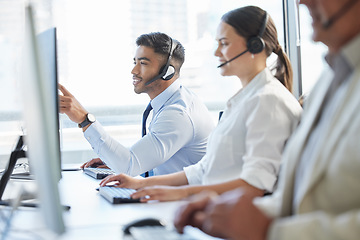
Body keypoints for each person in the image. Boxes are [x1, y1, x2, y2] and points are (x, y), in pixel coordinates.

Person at [174, 0, 360, 239]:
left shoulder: (270, 99)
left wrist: (271, 230)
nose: (302, 1)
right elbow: (295, 200)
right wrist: (227, 212)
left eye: (224, 43)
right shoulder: (332, 78)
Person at [99, 6, 302, 202]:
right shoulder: (244, 99)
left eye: (224, 43)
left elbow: (257, 185)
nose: (216, 53)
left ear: (255, 46)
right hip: (219, 208)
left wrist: (182, 194)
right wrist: (141, 184)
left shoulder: (268, 101)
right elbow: (203, 170)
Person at [59, 32, 214, 176]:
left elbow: (130, 166)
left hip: (184, 202)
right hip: (169, 196)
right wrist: (114, 160)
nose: (134, 70)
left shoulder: (178, 113)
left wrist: (85, 119)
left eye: (143, 63)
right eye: (135, 62)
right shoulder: (170, 101)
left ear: (168, 71)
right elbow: (140, 160)